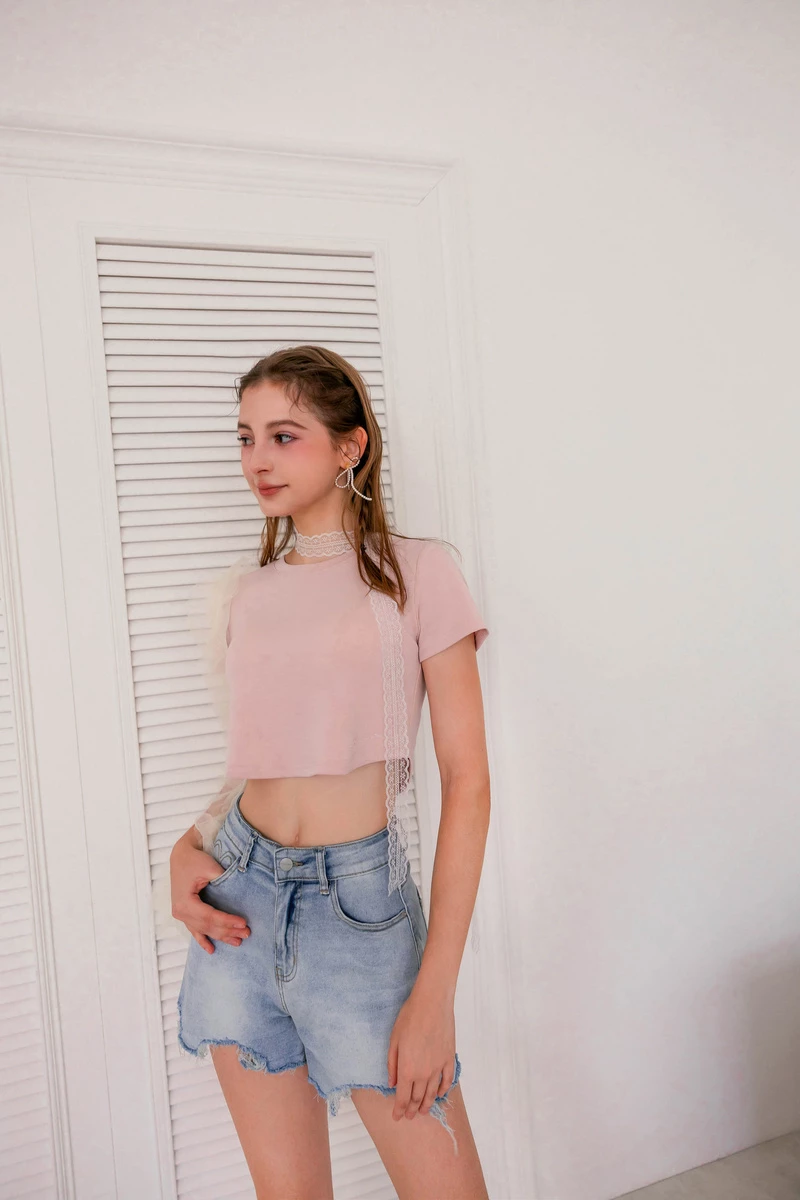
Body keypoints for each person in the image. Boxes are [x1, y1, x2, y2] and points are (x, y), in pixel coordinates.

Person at [168, 345, 491, 1199]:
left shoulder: (418, 573)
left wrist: (435, 994)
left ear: (351, 446)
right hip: (239, 906)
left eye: (284, 436)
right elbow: (256, 764)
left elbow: (468, 780)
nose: (258, 459)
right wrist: (187, 845)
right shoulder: (248, 595)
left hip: (360, 918)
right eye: (246, 438)